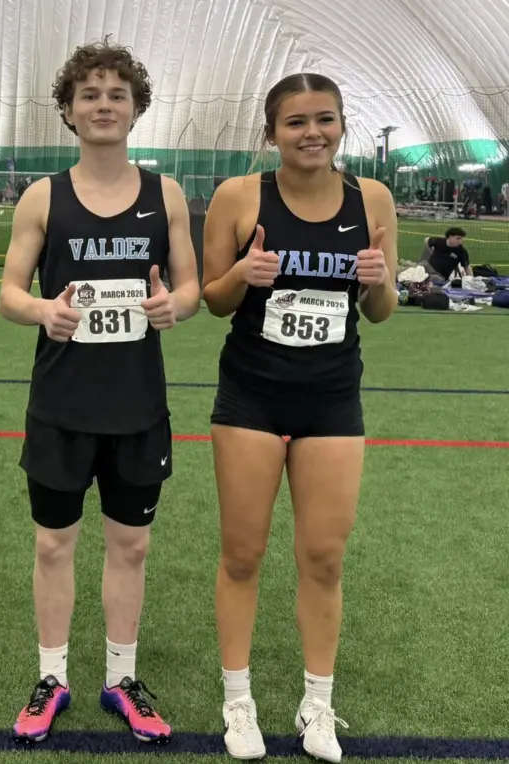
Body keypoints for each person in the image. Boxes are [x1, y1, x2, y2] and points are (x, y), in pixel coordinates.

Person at [0, 38, 201, 745]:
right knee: (53, 546)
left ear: (136, 107)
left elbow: (192, 289)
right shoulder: (42, 195)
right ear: (69, 109)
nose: (104, 104)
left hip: (138, 406)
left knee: (132, 545)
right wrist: (43, 311)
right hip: (60, 406)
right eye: (90, 94)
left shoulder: (164, 194)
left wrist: (177, 305)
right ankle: (52, 675)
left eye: (117, 93)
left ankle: (122, 679)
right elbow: (8, 294)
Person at [201, 72, 398, 762]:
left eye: (325, 119)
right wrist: (241, 277)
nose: (312, 132)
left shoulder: (370, 198)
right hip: (251, 398)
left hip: (333, 400)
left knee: (323, 556)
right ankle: (238, 703)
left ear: (342, 124)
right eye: (296, 122)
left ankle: (319, 705)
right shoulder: (238, 197)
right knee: (243, 554)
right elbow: (213, 298)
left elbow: (380, 309)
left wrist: (378, 283)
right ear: (271, 132)